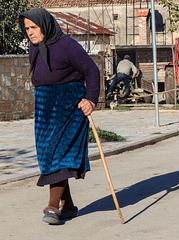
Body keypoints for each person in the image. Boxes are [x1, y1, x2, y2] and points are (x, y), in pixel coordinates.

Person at [18, 8, 100, 225]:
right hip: (45, 107)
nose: (30, 33)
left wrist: (91, 100)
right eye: (27, 29)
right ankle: (70, 206)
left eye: (33, 28)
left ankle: (53, 207)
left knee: (60, 154)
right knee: (49, 154)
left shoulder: (68, 45)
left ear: (45, 25)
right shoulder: (34, 48)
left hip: (69, 106)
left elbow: (92, 71)